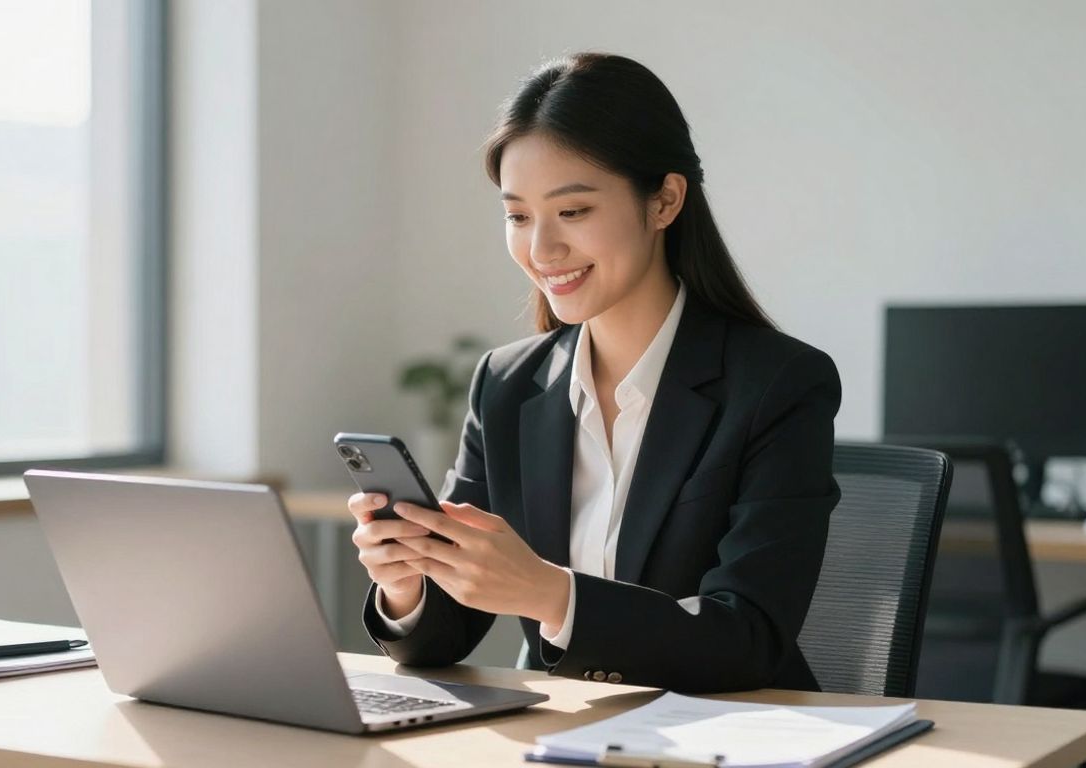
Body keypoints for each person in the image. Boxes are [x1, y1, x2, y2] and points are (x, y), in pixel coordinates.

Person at [348, 53, 841, 693]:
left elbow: (748, 639)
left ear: (664, 201)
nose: (541, 250)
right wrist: (407, 583)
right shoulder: (507, 384)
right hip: (568, 736)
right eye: (519, 216)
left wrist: (555, 597)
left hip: (726, 736)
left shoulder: (779, 384)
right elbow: (444, 637)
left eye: (573, 212)